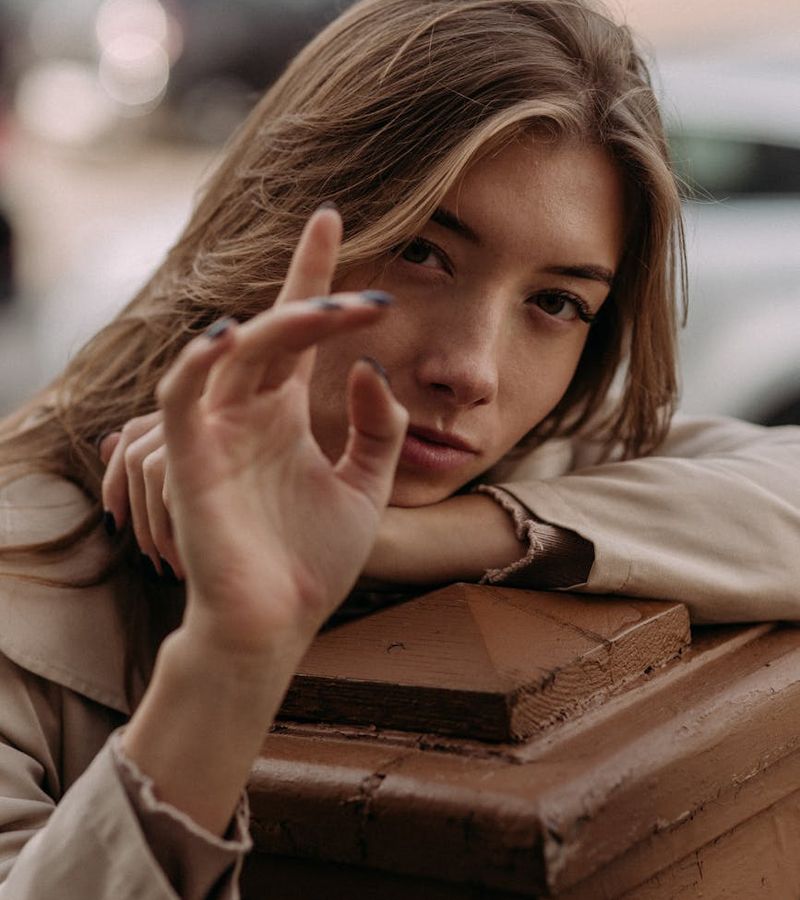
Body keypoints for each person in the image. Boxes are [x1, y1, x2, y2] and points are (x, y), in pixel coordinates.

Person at [0, 0, 798, 896]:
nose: (472, 370)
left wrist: (416, 536)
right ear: (277, 218)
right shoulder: (21, 567)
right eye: (423, 252)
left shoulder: (545, 462)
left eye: (556, 302)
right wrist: (230, 660)